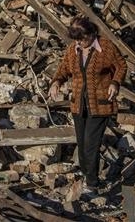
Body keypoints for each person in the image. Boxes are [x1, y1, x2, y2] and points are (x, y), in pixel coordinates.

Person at [48, 16, 127, 194]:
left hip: (100, 104)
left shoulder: (105, 47)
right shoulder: (72, 50)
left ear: (91, 34)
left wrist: (115, 82)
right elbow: (63, 70)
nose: (80, 43)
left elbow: (121, 66)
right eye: (76, 39)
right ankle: (86, 175)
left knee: (91, 143)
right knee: (82, 143)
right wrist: (56, 82)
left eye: (82, 39)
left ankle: (92, 183)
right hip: (78, 105)